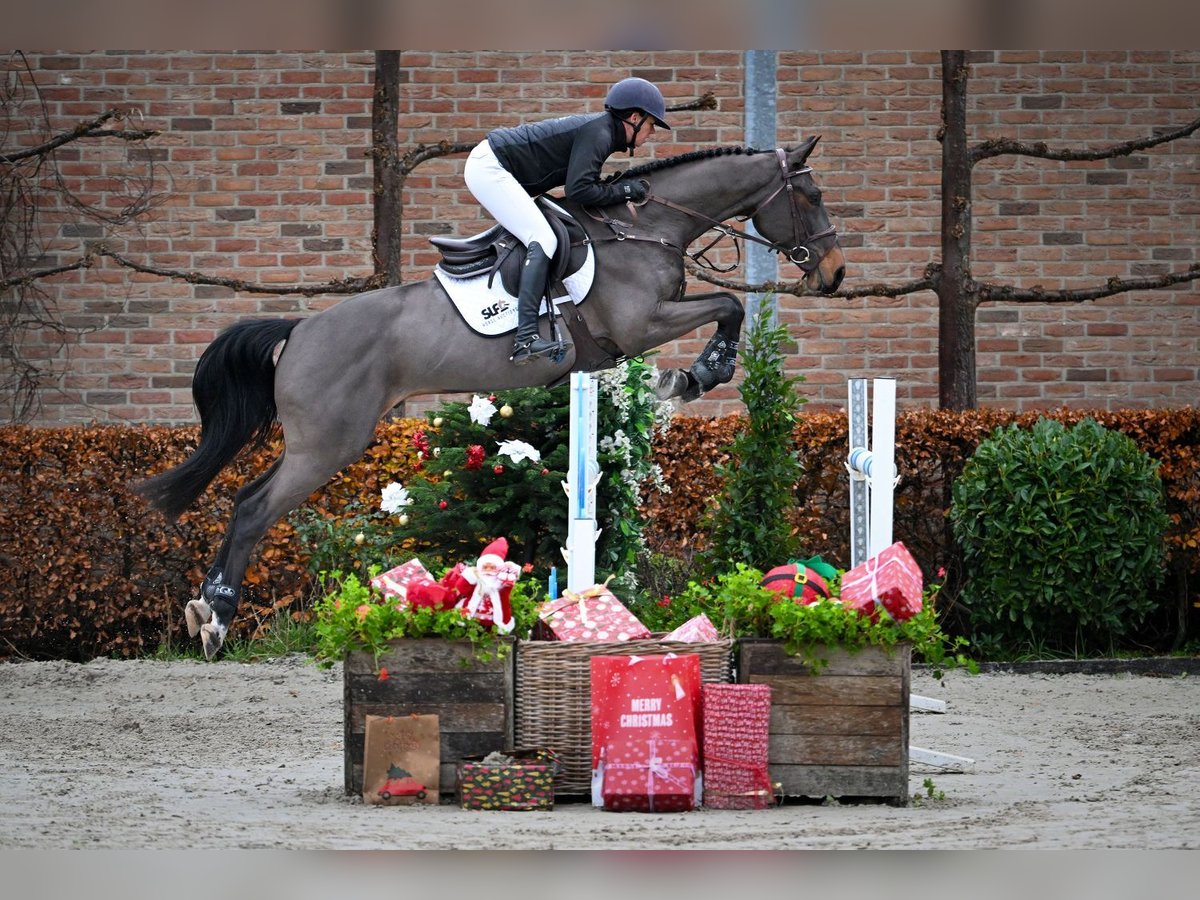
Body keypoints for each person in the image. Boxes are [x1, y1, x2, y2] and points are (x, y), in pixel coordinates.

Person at [464, 76, 671, 365]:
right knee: (543, 238)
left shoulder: (603, 131)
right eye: (650, 125)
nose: (651, 133)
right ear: (634, 118)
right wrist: (626, 190)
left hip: (503, 170)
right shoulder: (599, 132)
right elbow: (580, 190)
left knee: (546, 232)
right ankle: (524, 339)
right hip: (491, 168)